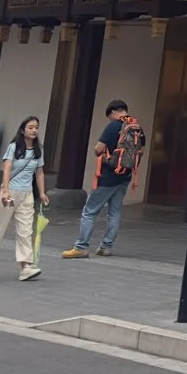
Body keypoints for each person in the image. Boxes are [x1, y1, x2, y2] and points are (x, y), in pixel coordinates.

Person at [63, 100, 142, 259]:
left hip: (107, 177)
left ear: (113, 112)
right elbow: (140, 152)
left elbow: (98, 149)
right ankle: (106, 247)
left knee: (89, 211)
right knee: (114, 212)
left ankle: (81, 247)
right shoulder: (137, 128)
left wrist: (106, 153)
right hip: (125, 176)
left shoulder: (113, 126)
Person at [0, 114, 47, 281]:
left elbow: (39, 172)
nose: (34, 130)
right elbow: (7, 169)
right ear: (23, 130)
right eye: (30, 127)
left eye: (36, 128)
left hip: (27, 194)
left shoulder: (38, 150)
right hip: (10, 193)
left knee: (25, 231)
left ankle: (26, 266)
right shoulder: (13, 147)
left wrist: (42, 192)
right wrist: (6, 191)